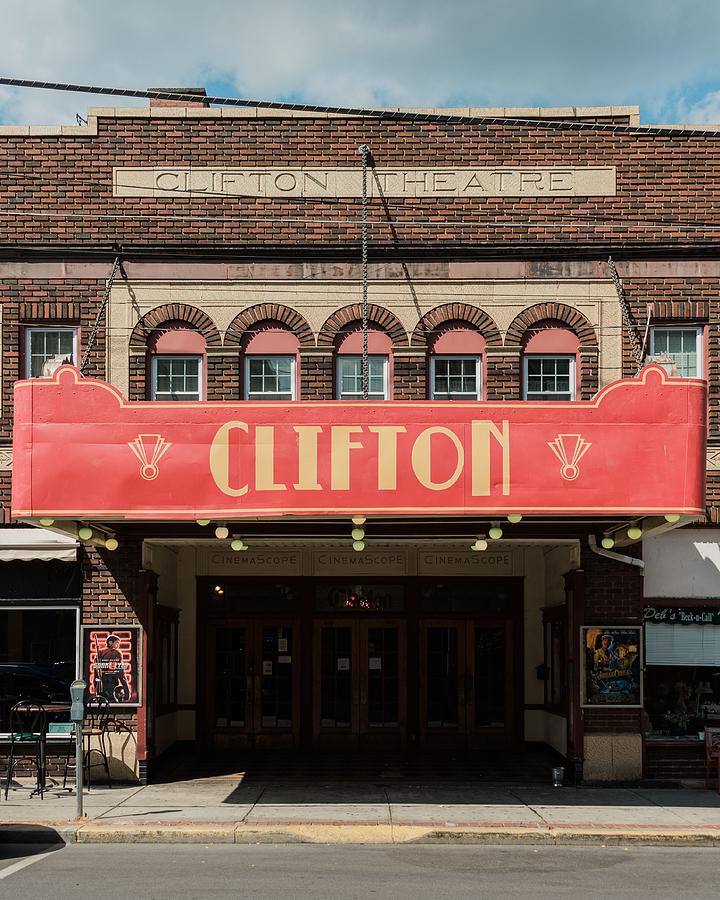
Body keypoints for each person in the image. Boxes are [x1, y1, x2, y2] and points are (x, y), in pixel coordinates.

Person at [93, 634, 129, 703]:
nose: (118, 645)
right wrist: (126, 694)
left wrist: (96, 687)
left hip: (101, 686)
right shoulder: (116, 652)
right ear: (110, 642)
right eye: (116, 642)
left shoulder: (99, 653)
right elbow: (121, 672)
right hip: (112, 684)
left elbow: (96, 673)